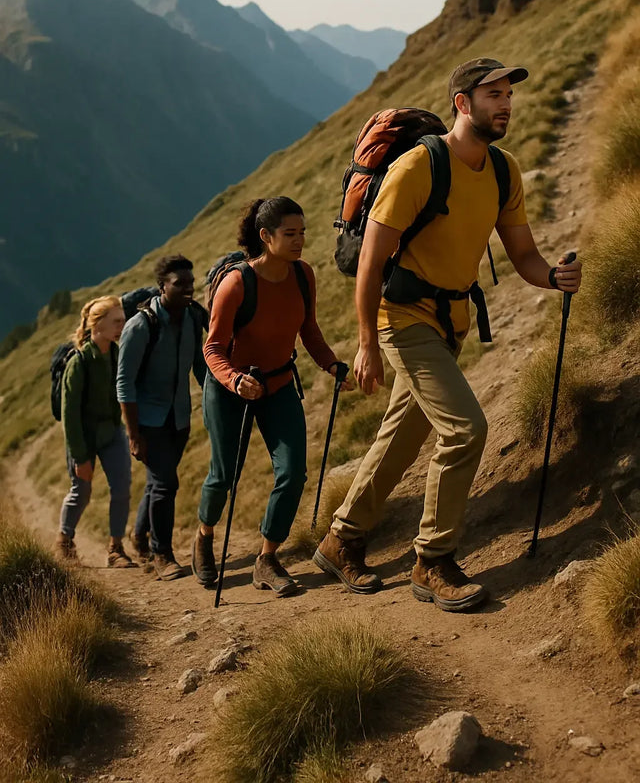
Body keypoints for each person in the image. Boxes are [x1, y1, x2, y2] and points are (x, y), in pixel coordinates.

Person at [314, 57, 582, 611]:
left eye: (508, 95)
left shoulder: (504, 171)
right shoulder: (417, 168)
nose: (506, 104)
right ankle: (431, 560)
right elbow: (369, 264)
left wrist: (554, 277)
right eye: (493, 95)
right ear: (463, 104)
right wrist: (366, 343)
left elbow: (525, 255)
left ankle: (342, 539)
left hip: (451, 322)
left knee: (403, 435)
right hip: (403, 319)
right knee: (465, 429)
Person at [193, 197, 350, 597]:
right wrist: (234, 380)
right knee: (223, 474)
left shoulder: (303, 275)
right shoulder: (236, 283)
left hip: (278, 385)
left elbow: (308, 330)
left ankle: (267, 558)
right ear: (266, 237)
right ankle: (205, 534)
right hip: (230, 390)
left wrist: (331, 364)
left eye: (302, 233)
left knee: (293, 471)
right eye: (289, 234)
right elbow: (212, 348)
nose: (299, 241)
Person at [117, 254, 206, 581]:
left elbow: (199, 364)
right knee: (166, 483)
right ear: (161, 286)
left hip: (179, 418)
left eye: (191, 283)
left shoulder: (193, 318)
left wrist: (216, 394)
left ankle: (139, 536)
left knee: (159, 481)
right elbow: (124, 382)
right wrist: (133, 433)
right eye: (178, 284)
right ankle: (161, 553)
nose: (187, 289)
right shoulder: (141, 325)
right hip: (149, 421)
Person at [57, 296, 136, 568]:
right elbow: (70, 416)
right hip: (84, 437)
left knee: (122, 488)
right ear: (97, 325)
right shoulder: (78, 363)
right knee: (82, 491)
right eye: (116, 322)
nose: (121, 326)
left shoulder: (117, 354)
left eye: (122, 320)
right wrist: (80, 457)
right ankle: (64, 541)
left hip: (112, 432)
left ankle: (115, 548)